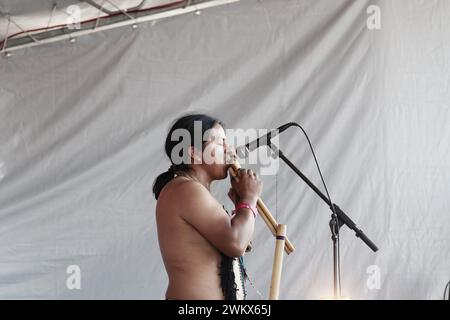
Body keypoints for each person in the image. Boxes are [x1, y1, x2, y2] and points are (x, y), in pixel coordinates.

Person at [153, 114, 262, 300]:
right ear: (194, 152)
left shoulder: (188, 189)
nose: (231, 151)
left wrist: (241, 208)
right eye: (221, 143)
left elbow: (238, 244)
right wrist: (249, 198)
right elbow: (236, 243)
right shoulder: (185, 189)